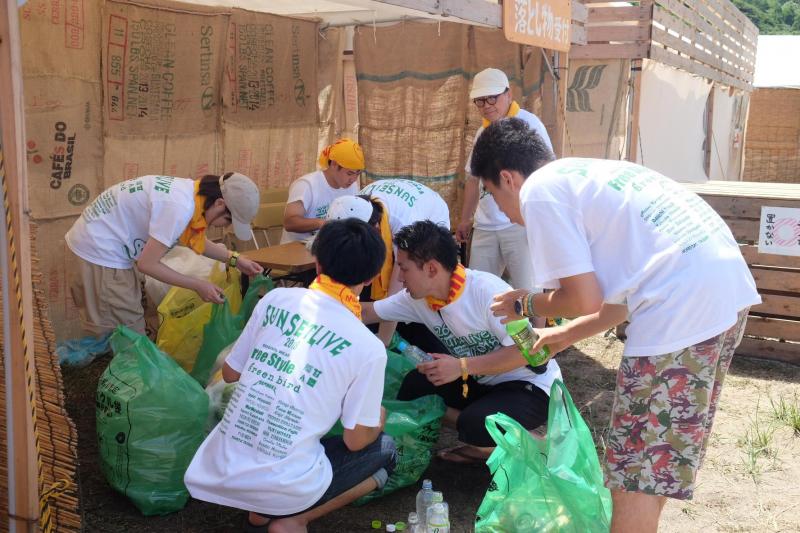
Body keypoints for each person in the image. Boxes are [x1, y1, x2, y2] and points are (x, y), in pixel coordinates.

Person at [469, 118, 761, 533]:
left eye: (495, 198)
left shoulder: (540, 192)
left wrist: (525, 301)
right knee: (653, 464)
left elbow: (581, 299)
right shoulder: (586, 176)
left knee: (633, 476)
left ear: (508, 178)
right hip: (722, 293)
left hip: (680, 306)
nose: (504, 212)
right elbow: (620, 296)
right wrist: (562, 336)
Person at [185, 219, 396, 533]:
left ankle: (259, 513)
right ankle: (295, 520)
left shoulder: (275, 300)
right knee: (386, 449)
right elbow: (355, 441)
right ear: (373, 276)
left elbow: (229, 373)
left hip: (220, 469)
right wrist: (377, 420)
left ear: (317, 261)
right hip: (286, 486)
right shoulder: (369, 347)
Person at [361, 220, 561, 464]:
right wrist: (319, 300)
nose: (400, 278)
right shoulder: (416, 298)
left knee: (476, 423)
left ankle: (541, 448)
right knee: (415, 388)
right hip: (481, 382)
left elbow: (528, 353)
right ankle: (489, 442)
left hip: (530, 386)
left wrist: (461, 366)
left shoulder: (488, 293)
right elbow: (369, 312)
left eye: (404, 268)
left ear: (431, 269)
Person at [65, 172, 264, 336]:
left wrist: (234, 259)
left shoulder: (189, 193)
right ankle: (127, 376)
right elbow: (147, 264)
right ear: (220, 203)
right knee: (128, 328)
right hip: (100, 251)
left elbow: (193, 239)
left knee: (120, 319)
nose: (223, 226)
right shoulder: (180, 208)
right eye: (227, 220)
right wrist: (198, 285)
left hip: (101, 241)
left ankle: (120, 366)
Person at [456, 68, 552, 302]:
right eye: (480, 100)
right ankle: (490, 337)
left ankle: (540, 336)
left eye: (492, 98)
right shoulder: (482, 131)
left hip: (519, 222)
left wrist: (537, 218)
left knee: (529, 289)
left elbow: (546, 171)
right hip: (486, 224)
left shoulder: (530, 124)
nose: (487, 105)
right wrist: (465, 218)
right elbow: (472, 178)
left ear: (508, 94)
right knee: (479, 291)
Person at [281, 138, 365, 243]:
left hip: (330, 247)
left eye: (358, 173)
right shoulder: (306, 185)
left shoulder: (352, 186)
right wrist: (322, 224)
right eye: (349, 173)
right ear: (334, 164)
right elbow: (289, 222)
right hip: (298, 248)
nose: (353, 179)